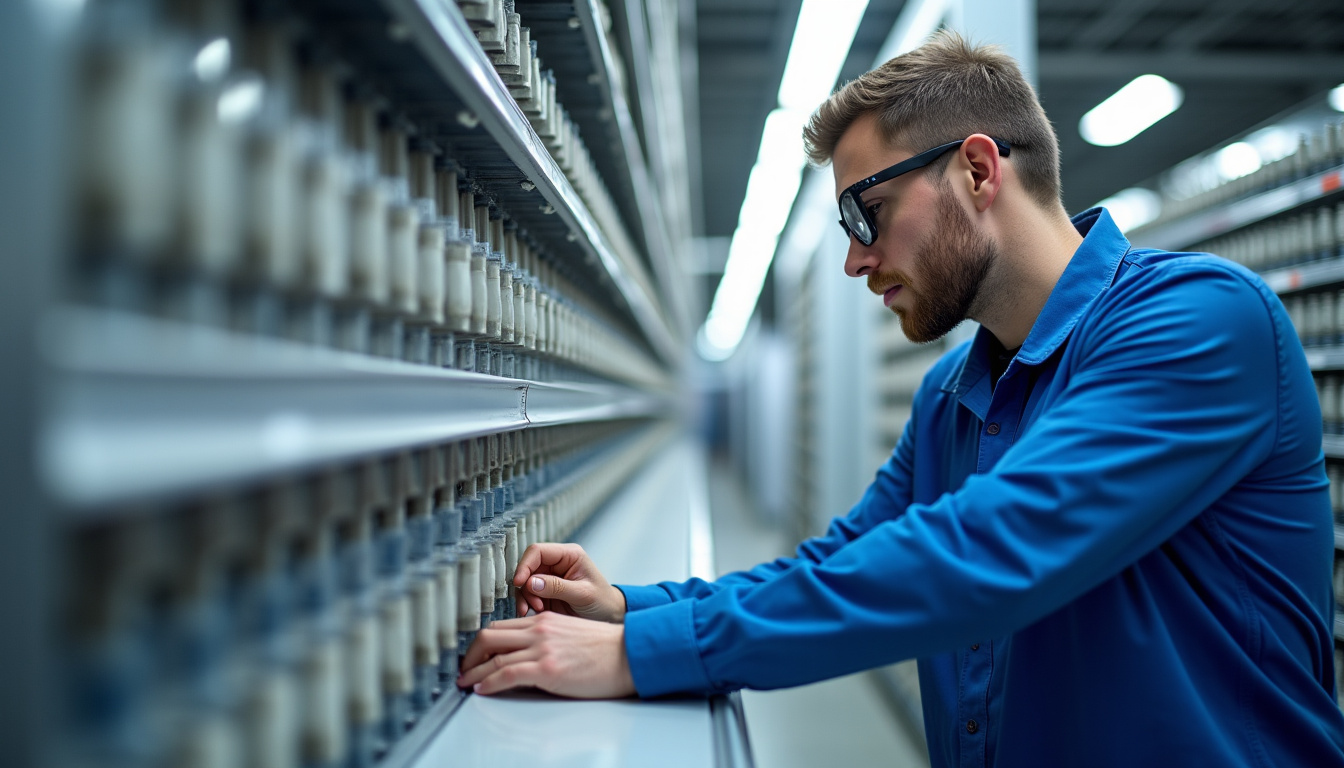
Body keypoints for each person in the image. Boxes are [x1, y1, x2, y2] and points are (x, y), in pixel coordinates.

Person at [458, 31, 1344, 767]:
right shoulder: (953, 395)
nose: (853, 259)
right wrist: (640, 610)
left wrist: (645, 658)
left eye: (865, 214)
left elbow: (988, 552)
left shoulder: (1201, 322)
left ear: (977, 171)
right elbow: (848, 558)